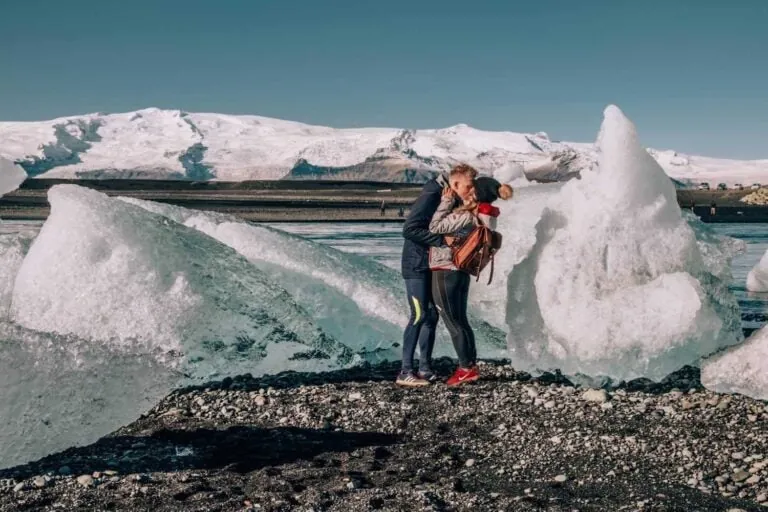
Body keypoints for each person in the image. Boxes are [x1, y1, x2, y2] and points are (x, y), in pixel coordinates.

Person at [396, 164, 478, 387]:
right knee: (419, 314)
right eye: (469, 187)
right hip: (416, 264)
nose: (471, 192)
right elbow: (410, 229)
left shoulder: (448, 195)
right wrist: (443, 241)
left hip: (429, 264)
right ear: (455, 184)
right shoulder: (433, 193)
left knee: (431, 316)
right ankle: (405, 371)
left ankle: (424, 368)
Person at [428, 176, 513, 386]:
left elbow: (434, 227)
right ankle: (470, 365)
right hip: (461, 272)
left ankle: (466, 368)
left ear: (476, 193)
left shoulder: (468, 215)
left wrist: (446, 202)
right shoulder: (486, 215)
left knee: (452, 319)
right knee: (460, 319)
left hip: (446, 268)